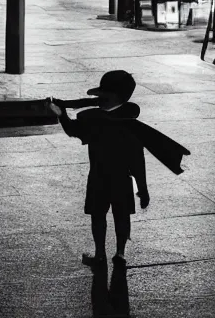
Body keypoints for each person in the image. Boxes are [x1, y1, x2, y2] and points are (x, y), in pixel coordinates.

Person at [48, 71, 148, 276]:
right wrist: (142, 188)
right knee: (121, 216)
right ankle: (118, 253)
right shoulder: (130, 120)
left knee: (99, 216)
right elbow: (138, 159)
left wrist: (62, 115)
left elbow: (73, 130)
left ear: (113, 96)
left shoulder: (93, 119)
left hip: (99, 176)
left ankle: (101, 253)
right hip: (121, 178)